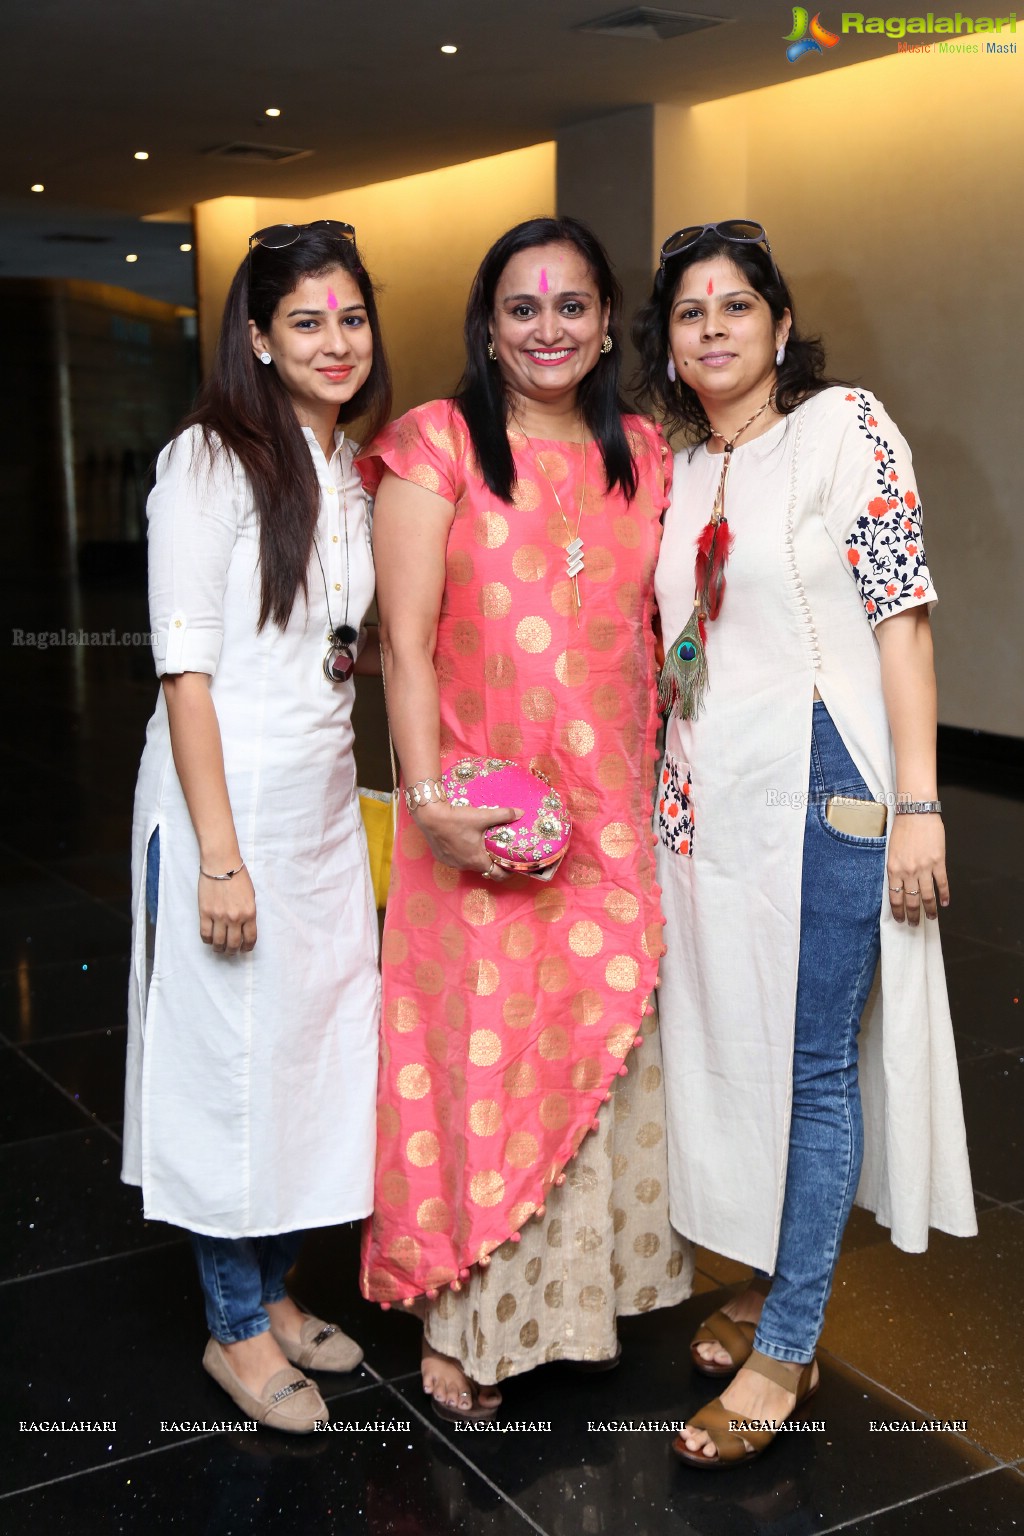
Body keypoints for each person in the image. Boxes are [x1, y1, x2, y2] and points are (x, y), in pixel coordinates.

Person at [632, 219, 977, 1468]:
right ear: (666, 348)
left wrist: (920, 806)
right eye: (689, 311)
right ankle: (773, 1279)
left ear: (781, 327)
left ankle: (785, 1344)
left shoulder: (846, 430)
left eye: (738, 304)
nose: (715, 325)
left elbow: (901, 621)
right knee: (731, 1045)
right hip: (706, 800)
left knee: (811, 1062)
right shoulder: (671, 469)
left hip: (827, 792)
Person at [360, 216, 692, 1419]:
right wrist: (427, 805)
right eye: (520, 308)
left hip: (611, 815)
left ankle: (577, 1310)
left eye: (570, 307)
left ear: (607, 324)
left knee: (588, 1053)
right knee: (482, 1069)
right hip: (479, 821)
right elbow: (399, 643)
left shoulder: (646, 453)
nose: (546, 328)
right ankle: (462, 1316)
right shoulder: (436, 442)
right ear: (488, 329)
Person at [122, 220, 392, 1431]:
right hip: (220, 809)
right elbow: (189, 675)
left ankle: (276, 1290)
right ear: (258, 338)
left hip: (323, 814)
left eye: (349, 318)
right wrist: (216, 858)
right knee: (225, 1067)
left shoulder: (344, 467)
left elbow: (339, 646)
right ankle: (233, 1328)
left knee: (308, 1059)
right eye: (306, 323)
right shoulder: (208, 461)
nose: (335, 343)